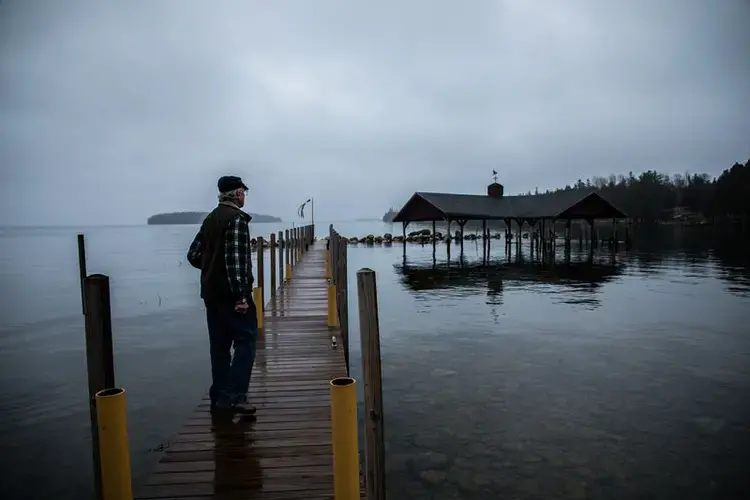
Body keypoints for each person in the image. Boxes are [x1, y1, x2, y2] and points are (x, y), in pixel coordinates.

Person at [186, 175, 258, 416]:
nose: (244, 197)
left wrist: (212, 270)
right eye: (243, 193)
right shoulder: (236, 220)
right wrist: (241, 297)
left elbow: (193, 254)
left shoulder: (210, 219)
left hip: (211, 295)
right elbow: (236, 263)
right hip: (232, 297)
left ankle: (218, 398)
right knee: (245, 342)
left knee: (219, 347)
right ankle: (236, 397)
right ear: (237, 194)